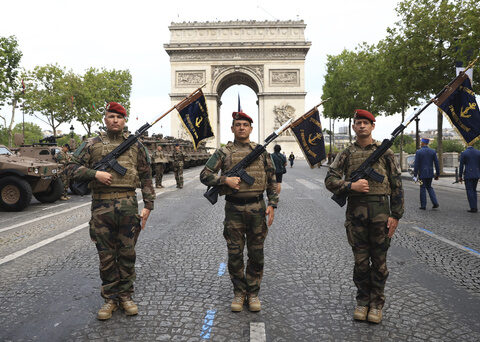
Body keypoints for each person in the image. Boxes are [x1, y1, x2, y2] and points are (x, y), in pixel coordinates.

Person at [67, 102, 155, 320]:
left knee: (127, 254)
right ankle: (109, 299)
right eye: (111, 116)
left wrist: (149, 206)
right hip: (101, 206)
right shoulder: (91, 144)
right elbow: (69, 168)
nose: (115, 120)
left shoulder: (135, 145)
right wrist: (94, 174)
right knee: (106, 256)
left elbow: (146, 175)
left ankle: (125, 296)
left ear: (125, 120)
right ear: (104, 119)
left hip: (128, 204)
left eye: (119, 117)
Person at [325, 109, 404, 324]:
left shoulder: (385, 152)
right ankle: (362, 301)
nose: (361, 126)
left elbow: (397, 184)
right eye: (358, 122)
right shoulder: (346, 154)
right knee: (360, 262)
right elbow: (330, 180)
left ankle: (376, 304)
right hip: (356, 214)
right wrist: (351, 185)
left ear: (372, 126)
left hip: (381, 213)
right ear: (353, 127)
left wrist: (395, 215)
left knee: (379, 263)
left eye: (365, 123)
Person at [200, 111, 278, 312]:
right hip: (233, 208)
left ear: (251, 128)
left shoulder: (261, 152)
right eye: (238, 124)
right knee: (234, 253)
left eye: (245, 124)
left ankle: (253, 293)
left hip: (258, 208)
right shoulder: (223, 153)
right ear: (232, 128)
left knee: (256, 253)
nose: (242, 127)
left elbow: (272, 179)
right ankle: (239, 292)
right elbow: (205, 175)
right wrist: (224, 180)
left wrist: (273, 204)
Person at [413, 138, 440, 210]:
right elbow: (436, 163)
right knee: (429, 187)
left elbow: (416, 164)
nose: (420, 143)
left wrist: (415, 175)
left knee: (422, 188)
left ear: (422, 143)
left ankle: (423, 205)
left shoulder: (419, 152)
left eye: (421, 142)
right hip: (430, 174)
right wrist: (437, 174)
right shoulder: (433, 151)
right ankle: (435, 202)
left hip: (421, 174)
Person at [459, 145, 480, 213]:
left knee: (469, 191)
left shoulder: (464, 153)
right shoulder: (478, 152)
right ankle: (475, 206)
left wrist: (460, 176)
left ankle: (473, 207)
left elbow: (461, 165)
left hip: (468, 174)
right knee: (474, 190)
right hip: (476, 174)